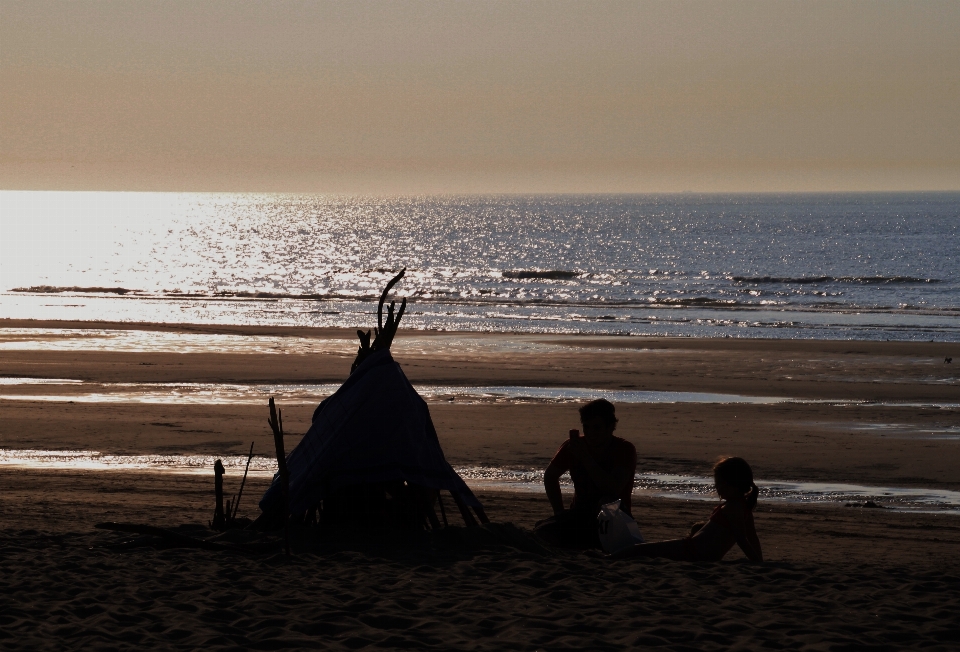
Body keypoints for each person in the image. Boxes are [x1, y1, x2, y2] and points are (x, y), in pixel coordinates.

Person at [612, 456, 763, 562]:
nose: (717, 488)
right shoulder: (742, 507)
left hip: (692, 550)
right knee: (645, 551)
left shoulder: (734, 507)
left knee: (639, 550)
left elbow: (743, 539)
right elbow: (752, 537)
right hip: (696, 550)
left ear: (734, 484)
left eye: (720, 484)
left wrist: (756, 562)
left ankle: (609, 558)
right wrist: (759, 560)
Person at [535, 399, 637, 549]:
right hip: (580, 514)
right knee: (542, 532)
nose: (590, 433)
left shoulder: (624, 449)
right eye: (586, 427)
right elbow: (550, 476)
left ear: (610, 427)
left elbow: (613, 488)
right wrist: (558, 511)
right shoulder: (573, 447)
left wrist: (585, 458)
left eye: (596, 428)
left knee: (608, 502)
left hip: (614, 516)